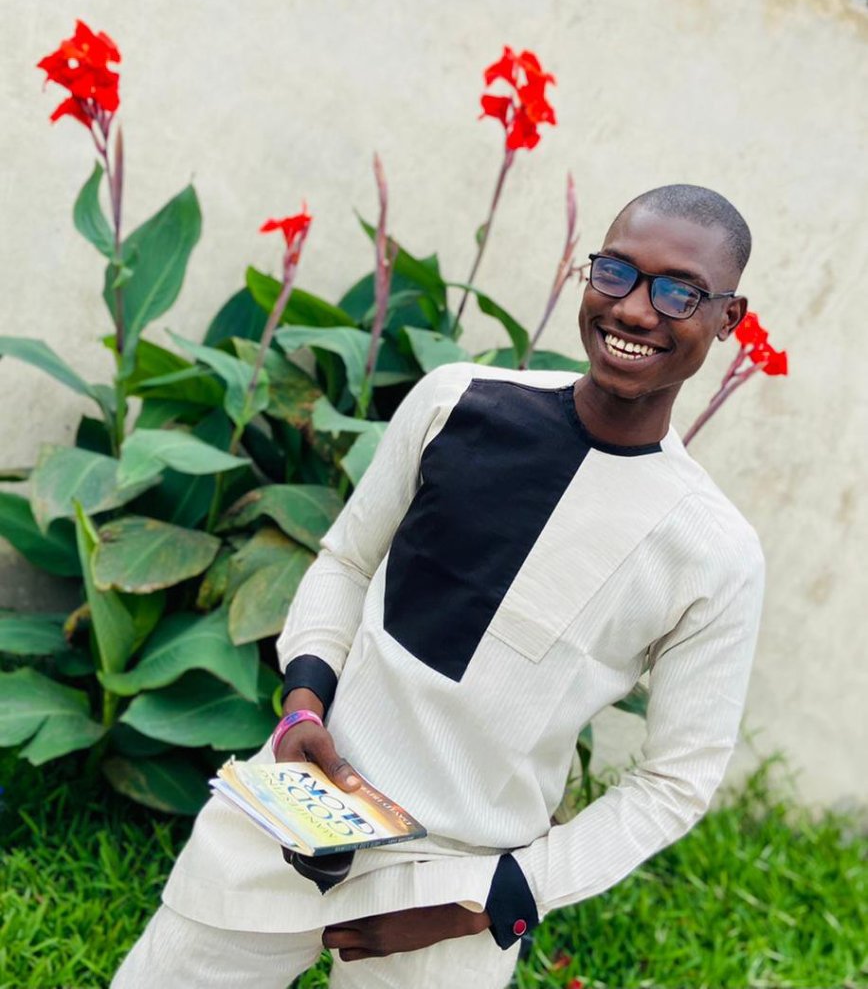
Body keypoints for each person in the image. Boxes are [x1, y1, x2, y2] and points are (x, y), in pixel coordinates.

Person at [113, 184, 765, 989]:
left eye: (679, 292)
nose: (633, 309)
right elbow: (346, 561)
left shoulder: (714, 551)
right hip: (300, 800)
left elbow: (677, 781)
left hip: (463, 874)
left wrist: (488, 905)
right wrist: (303, 706)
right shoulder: (457, 401)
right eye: (615, 272)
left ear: (728, 319)